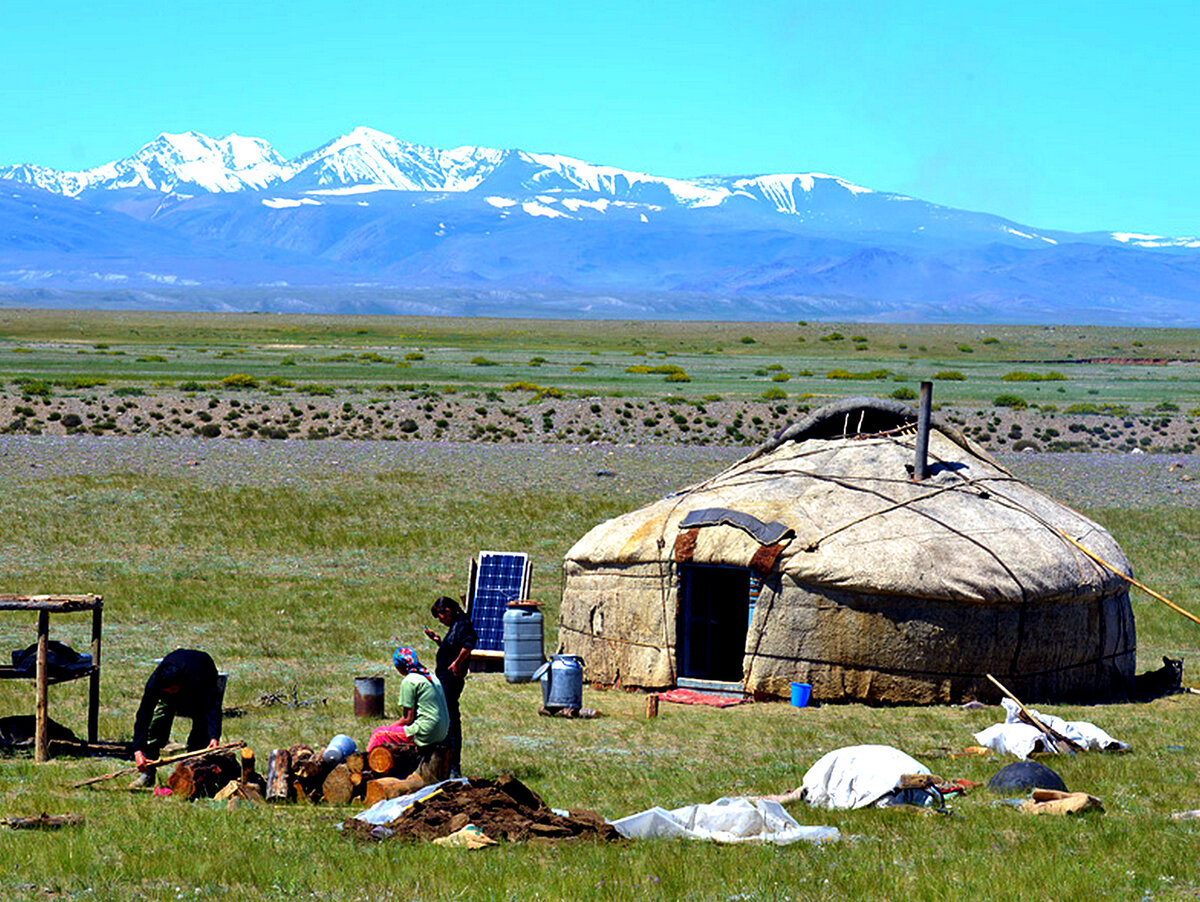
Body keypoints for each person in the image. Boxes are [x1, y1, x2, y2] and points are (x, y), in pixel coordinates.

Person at [130, 648, 222, 788]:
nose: (171, 693)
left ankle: (193, 774)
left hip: (202, 672)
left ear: (180, 681)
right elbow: (144, 714)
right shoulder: (155, 683)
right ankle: (148, 773)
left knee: (201, 723)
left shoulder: (199, 677)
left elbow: (212, 706)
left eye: (173, 690)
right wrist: (138, 750)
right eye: (168, 691)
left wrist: (214, 736)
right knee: (157, 722)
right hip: (179, 673)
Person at [424, 596, 477, 778]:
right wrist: (439, 641)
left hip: (451, 680)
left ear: (447, 612)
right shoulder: (455, 626)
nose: (442, 621)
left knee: (451, 721)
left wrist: (457, 663)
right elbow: (453, 646)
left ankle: (454, 765)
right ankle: (446, 763)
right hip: (444, 679)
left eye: (441, 618)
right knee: (446, 718)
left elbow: (468, 645)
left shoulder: (463, 625)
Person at [367, 647, 449, 753]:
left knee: (378, 734)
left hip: (425, 732)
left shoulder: (410, 681)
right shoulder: (431, 676)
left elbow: (407, 719)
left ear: (399, 668)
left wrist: (388, 729)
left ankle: (366, 765)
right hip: (442, 732)